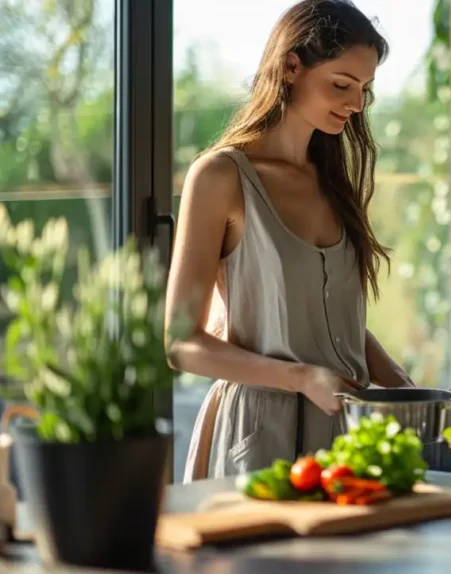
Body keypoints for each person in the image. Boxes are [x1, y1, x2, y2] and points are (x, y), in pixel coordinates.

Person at [165, 0, 414, 482]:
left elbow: (327, 323)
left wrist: (406, 388)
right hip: (256, 436)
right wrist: (301, 378)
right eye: (342, 84)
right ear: (291, 66)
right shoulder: (220, 177)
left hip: (343, 439)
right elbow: (181, 344)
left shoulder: (333, 182)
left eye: (364, 88)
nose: (357, 104)